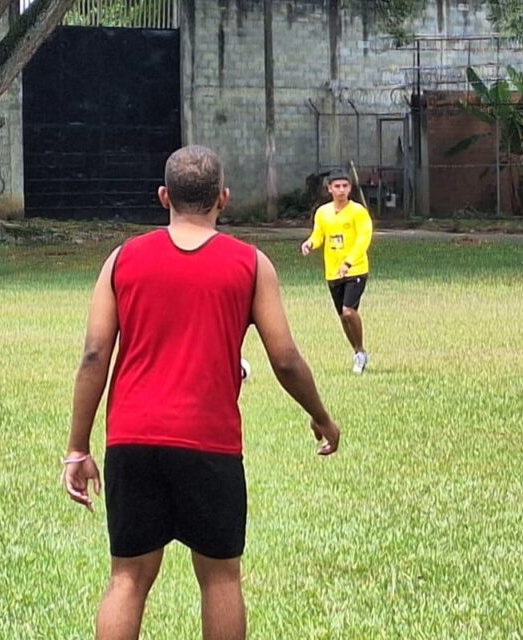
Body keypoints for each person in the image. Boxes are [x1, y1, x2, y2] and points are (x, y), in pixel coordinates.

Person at [61, 145, 340, 640]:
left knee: (128, 577)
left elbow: (93, 356)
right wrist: (320, 415)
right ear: (224, 199)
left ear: (164, 196)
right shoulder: (250, 265)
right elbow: (285, 359)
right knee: (220, 578)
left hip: (133, 441)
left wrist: (77, 448)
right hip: (209, 444)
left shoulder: (121, 260)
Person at [302, 171, 374, 374]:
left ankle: (360, 351)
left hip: (355, 269)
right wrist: (310, 243)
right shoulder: (323, 212)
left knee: (349, 310)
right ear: (330, 189)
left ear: (350, 188)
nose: (341, 190)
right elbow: (319, 235)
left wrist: (349, 262)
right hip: (333, 272)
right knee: (343, 317)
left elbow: (363, 239)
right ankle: (356, 352)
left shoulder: (358, 212)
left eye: (345, 186)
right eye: (337, 186)